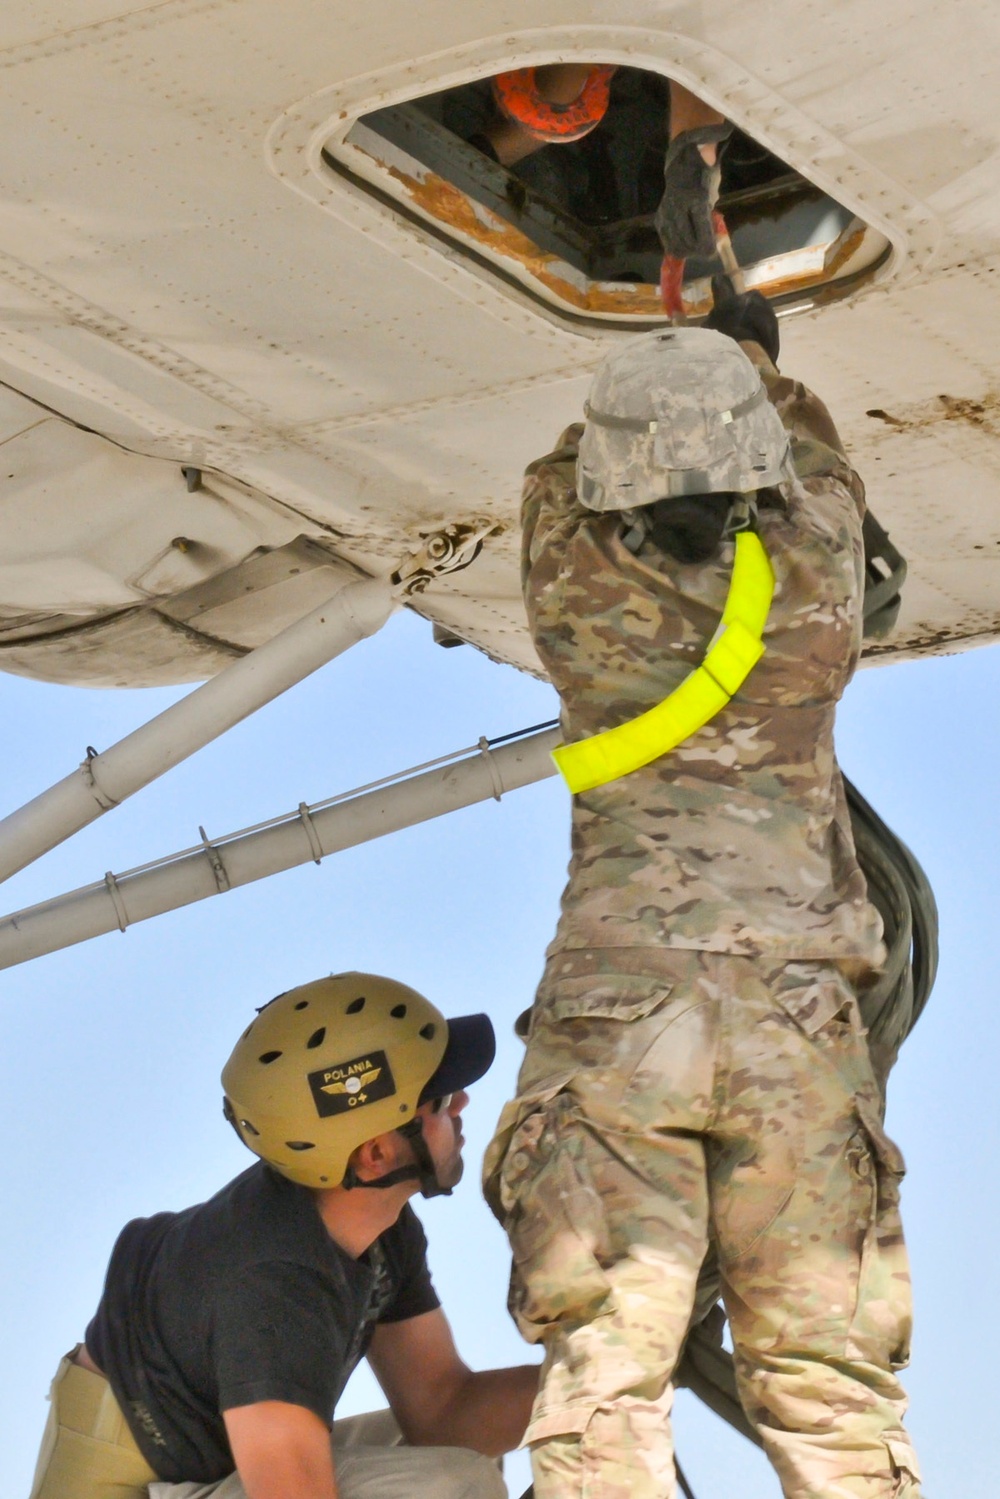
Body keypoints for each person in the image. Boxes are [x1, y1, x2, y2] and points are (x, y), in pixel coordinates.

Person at [484, 304, 923, 1498]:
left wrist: (662, 366)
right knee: (830, 1382)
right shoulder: (812, 588)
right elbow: (821, 474)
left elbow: (556, 478)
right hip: (795, 1012)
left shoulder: (573, 586)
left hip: (622, 1014)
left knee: (605, 1381)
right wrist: (754, 365)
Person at [30, 972, 538, 1499]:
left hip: (216, 1463)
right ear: (376, 1155)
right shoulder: (272, 1285)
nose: (462, 1106)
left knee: (458, 1460)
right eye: (441, 1100)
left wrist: (600, 1382)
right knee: (452, 1487)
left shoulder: (380, 1230)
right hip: (131, 1485)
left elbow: (444, 1411)